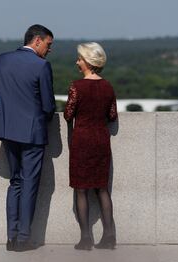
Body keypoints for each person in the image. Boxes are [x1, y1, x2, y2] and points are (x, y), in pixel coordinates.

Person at [0, 24, 56, 252]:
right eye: (48, 44)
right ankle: (24, 238)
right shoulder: (42, 66)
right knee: (29, 184)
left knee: (14, 182)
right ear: (37, 41)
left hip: (7, 131)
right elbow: (48, 106)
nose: (49, 49)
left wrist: (10, 113)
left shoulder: (1, 59)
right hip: (32, 133)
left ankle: (11, 237)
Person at [64, 42, 118, 250]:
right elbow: (112, 116)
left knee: (81, 190)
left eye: (79, 59)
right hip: (101, 141)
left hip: (82, 141)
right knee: (102, 189)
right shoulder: (108, 87)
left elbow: (68, 115)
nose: (77, 62)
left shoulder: (76, 87)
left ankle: (86, 237)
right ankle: (109, 236)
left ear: (87, 61)